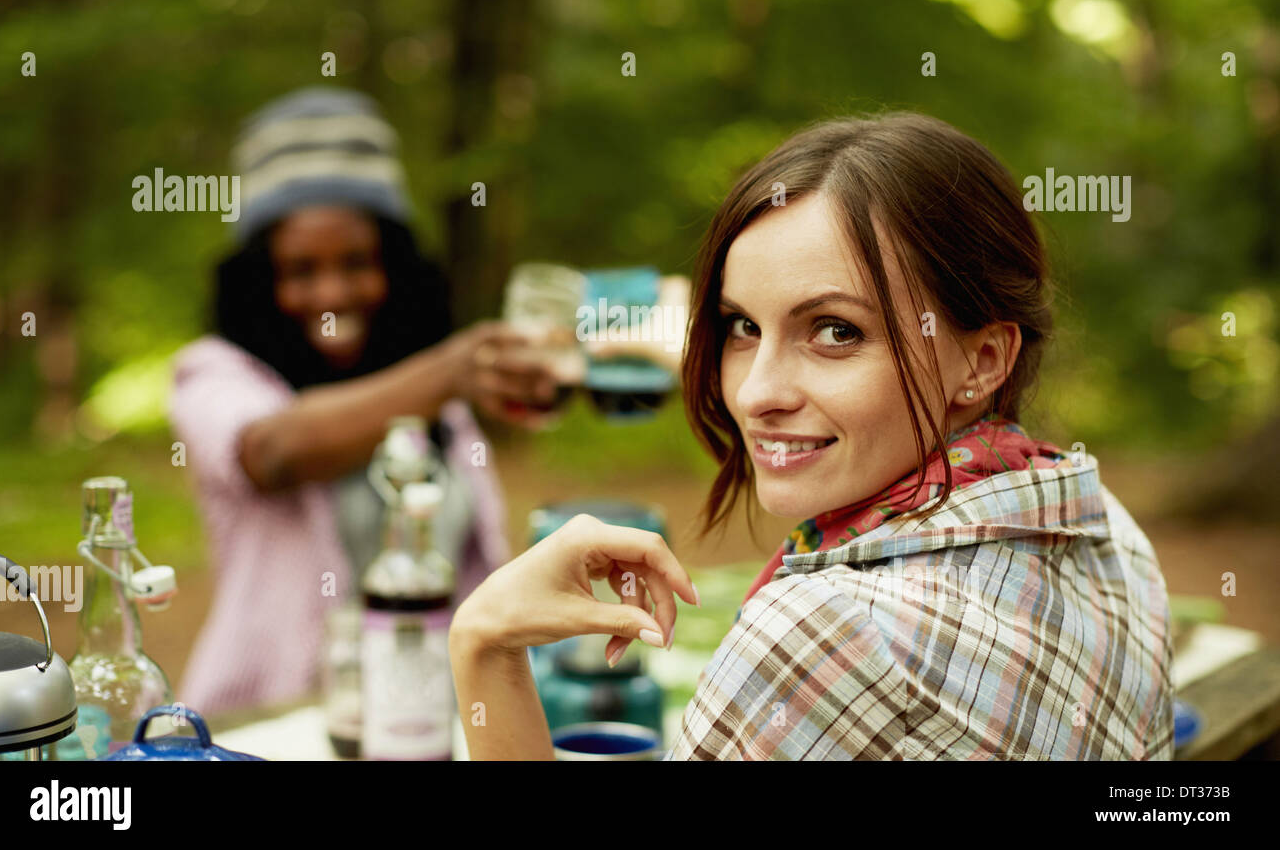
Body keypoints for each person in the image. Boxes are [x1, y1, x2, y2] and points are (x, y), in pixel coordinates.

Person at [448, 112, 1176, 760]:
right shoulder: (1097, 521)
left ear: (983, 359)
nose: (758, 393)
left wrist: (484, 642)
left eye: (835, 331)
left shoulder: (825, 631)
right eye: (743, 326)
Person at [169, 87, 557, 715]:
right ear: (260, 280)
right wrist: (450, 372)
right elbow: (271, 453)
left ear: (394, 267)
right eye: (300, 270)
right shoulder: (213, 374)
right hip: (273, 729)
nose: (332, 293)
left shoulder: (431, 392)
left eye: (356, 262)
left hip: (437, 721)